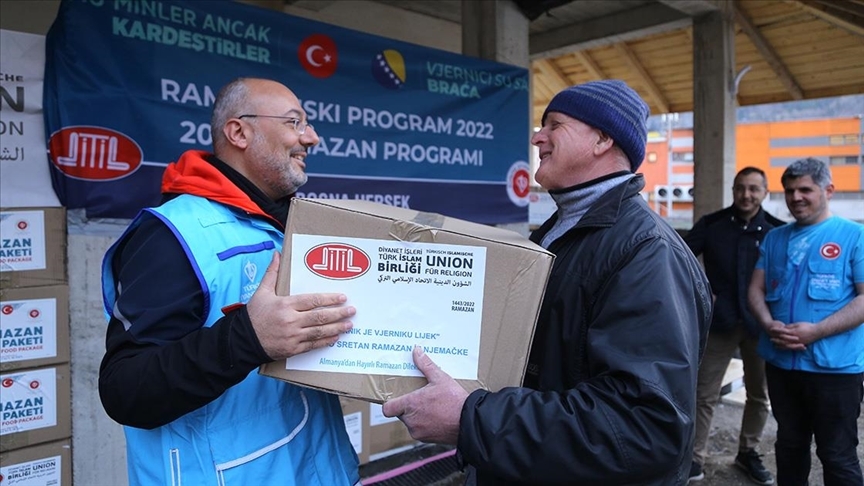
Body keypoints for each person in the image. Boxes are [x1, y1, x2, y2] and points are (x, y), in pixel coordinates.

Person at [382, 79, 712, 485]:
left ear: (602, 140)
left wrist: (473, 419)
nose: (538, 137)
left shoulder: (646, 252)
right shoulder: (557, 233)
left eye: (554, 124)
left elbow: (643, 430)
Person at [98, 78, 361, 485]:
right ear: (239, 132)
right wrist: (249, 338)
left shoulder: (292, 226)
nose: (311, 137)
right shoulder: (174, 234)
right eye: (295, 122)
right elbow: (125, 389)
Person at [748, 157, 864, 486]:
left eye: (805, 190)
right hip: (783, 366)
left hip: (836, 370)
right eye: (789, 191)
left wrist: (817, 331)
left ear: (828, 190)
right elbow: (755, 289)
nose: (795, 197)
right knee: (789, 446)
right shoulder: (775, 239)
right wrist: (767, 322)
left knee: (837, 454)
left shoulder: (855, 236)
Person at [684, 167, 784, 485]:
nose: (746, 195)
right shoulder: (711, 226)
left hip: (761, 324)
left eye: (754, 189)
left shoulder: (777, 231)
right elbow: (678, 260)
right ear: (732, 190)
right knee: (703, 393)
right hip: (720, 323)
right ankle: (694, 457)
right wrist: (701, 293)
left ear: (765, 192)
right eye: (740, 188)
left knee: (759, 395)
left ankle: (748, 452)